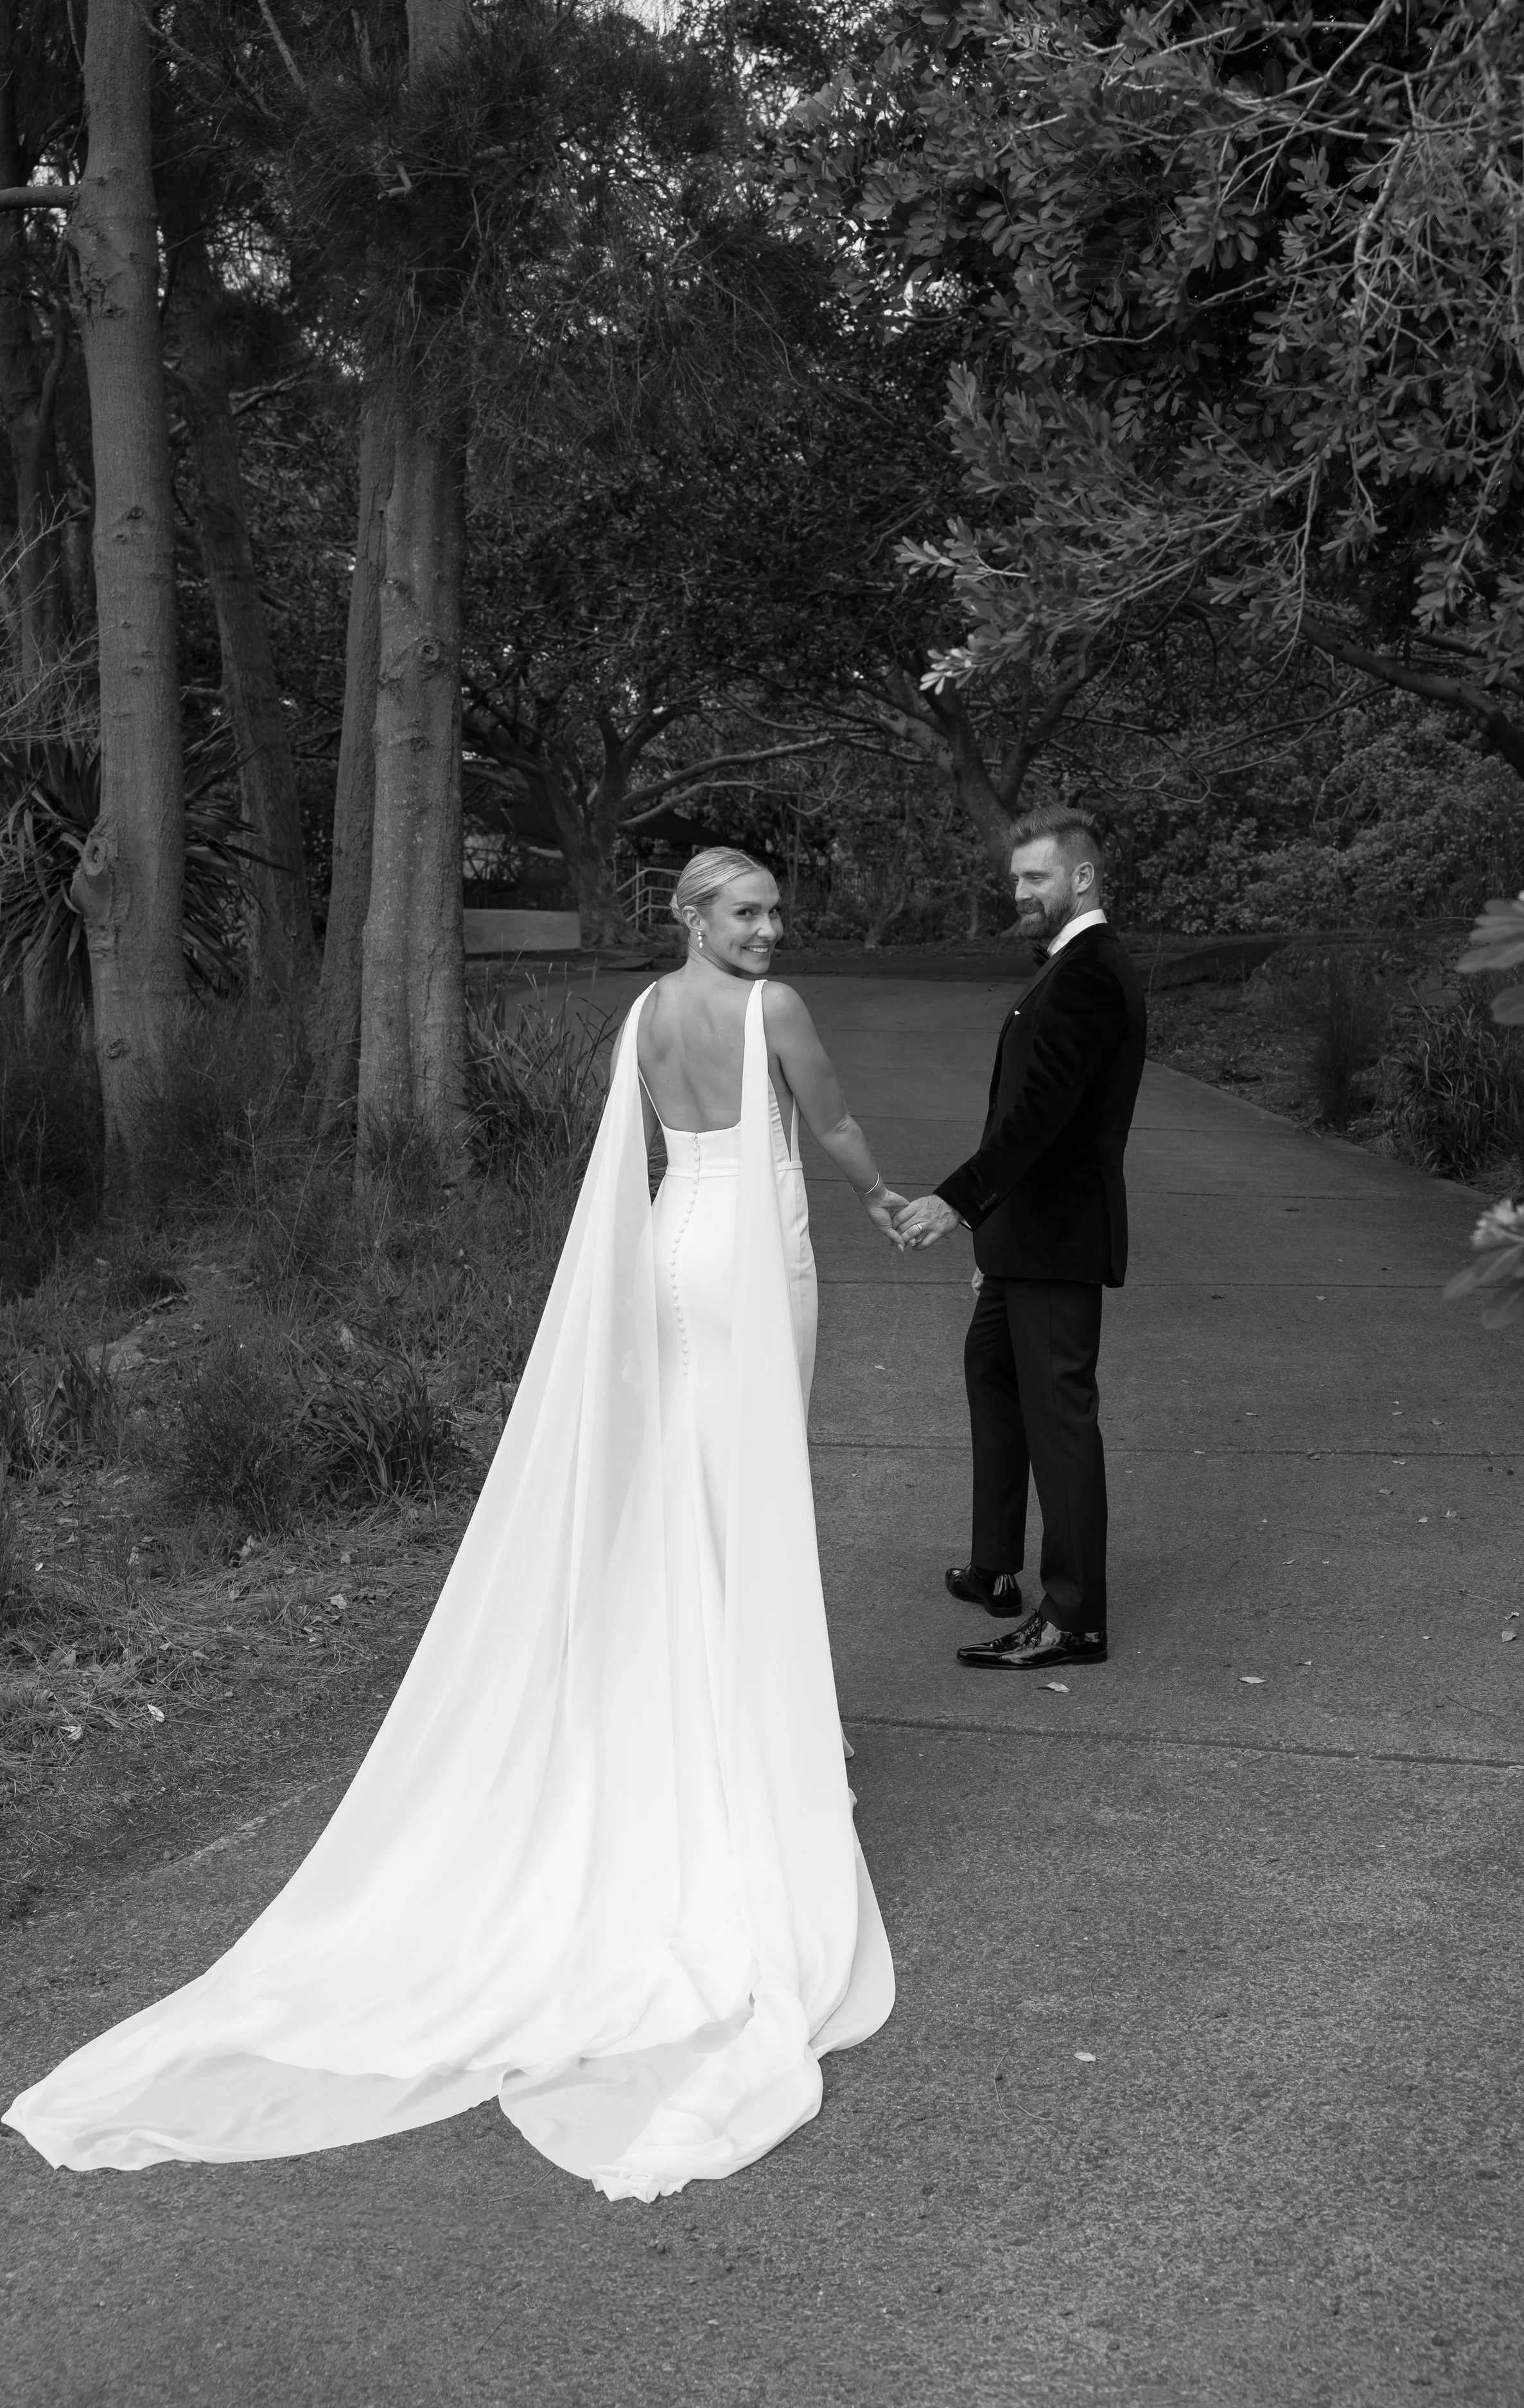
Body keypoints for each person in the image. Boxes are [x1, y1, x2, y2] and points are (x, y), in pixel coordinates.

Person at [4, 848, 899, 2201]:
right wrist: (889, 1195)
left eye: (776, 909)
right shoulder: (767, 1014)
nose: (770, 930)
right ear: (693, 919)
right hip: (750, 1258)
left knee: (681, 1485)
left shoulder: (646, 1017)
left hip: (670, 1245)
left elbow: (651, 1151)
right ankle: (750, 1741)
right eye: (746, 912)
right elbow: (824, 1128)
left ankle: (700, 1709)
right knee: (750, 1482)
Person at [894, 803, 1146, 1671]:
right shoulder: (1066, 965)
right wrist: (990, 1235)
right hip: (1023, 1235)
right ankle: (997, 1566)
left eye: (1034, 876)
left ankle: (1073, 1614)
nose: (1019, 891)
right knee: (992, 1372)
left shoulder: (1088, 972)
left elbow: (1041, 1115)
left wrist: (957, 1201)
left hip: (1058, 1234)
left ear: (1080, 877)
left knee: (1061, 1418)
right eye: (1015, 877)